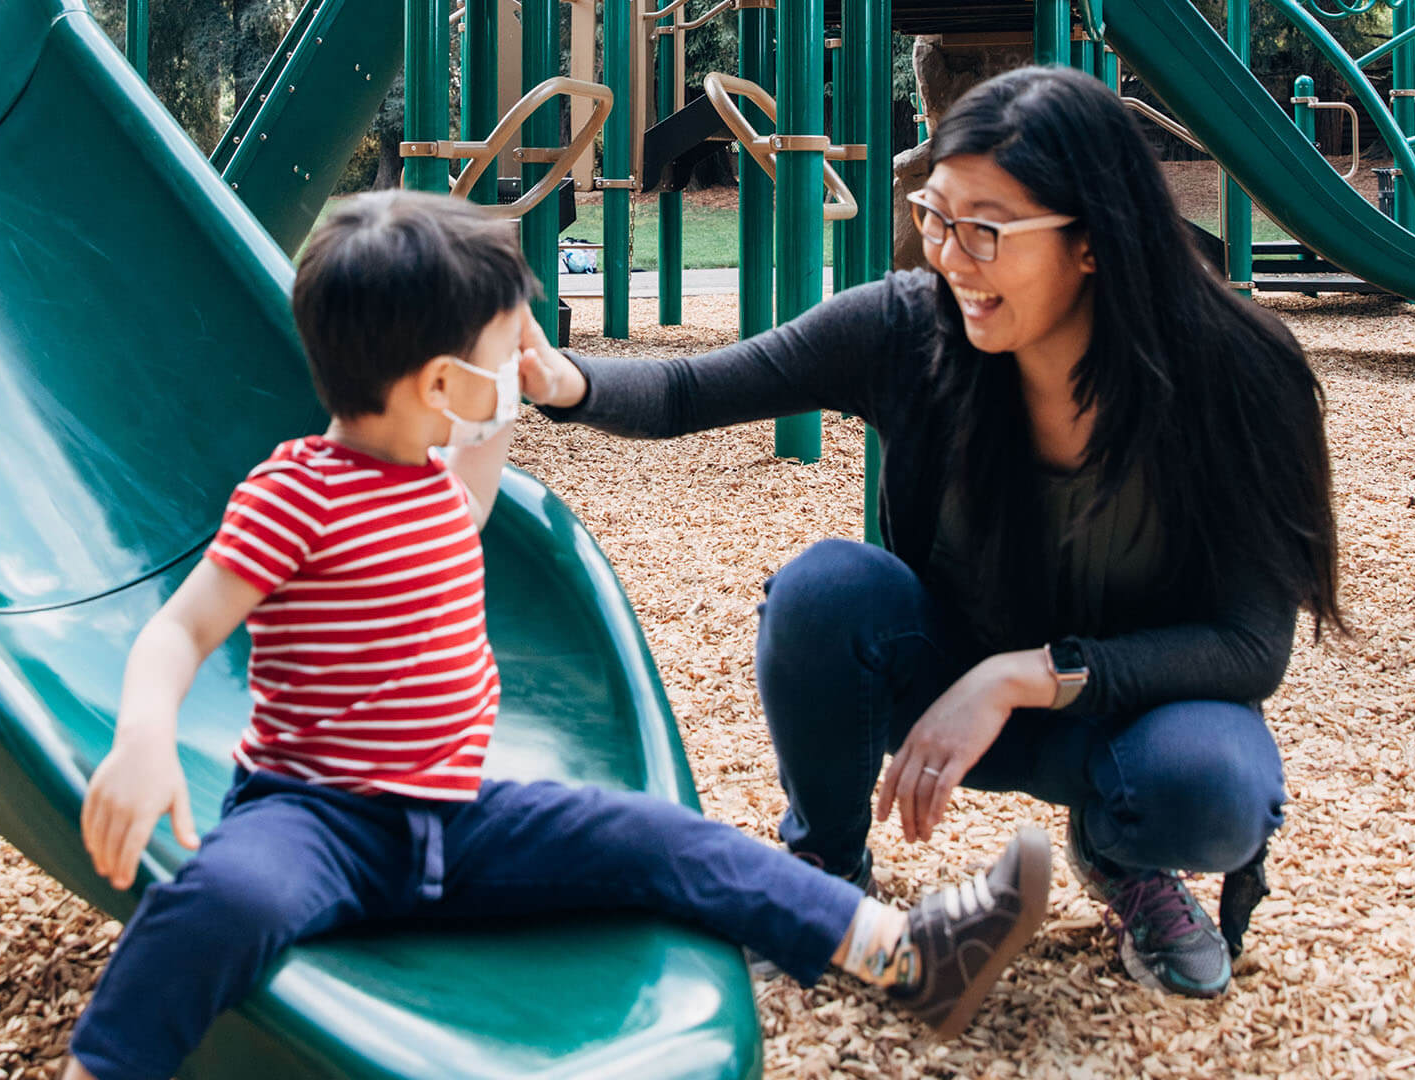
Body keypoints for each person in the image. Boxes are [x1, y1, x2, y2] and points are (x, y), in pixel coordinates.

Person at [59, 191, 1053, 1080]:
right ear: (443, 385)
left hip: (458, 820)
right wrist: (145, 733)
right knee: (223, 896)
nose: (527, 358)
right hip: (311, 818)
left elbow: (482, 446)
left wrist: (526, 364)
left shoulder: (437, 484)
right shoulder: (295, 494)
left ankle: (912, 955)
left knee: (668, 842)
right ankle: (108, 1063)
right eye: (508, 349)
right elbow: (179, 631)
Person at [520, 67, 1344, 1001]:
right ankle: (825, 872)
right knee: (826, 593)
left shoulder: (1236, 376)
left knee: (1212, 789)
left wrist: (1020, 676)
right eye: (936, 216)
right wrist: (561, 380)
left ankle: (1124, 856)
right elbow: (688, 391)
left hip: (1117, 713)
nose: (948, 255)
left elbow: (1247, 647)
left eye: (984, 229)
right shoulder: (913, 329)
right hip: (939, 677)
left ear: (1093, 243)